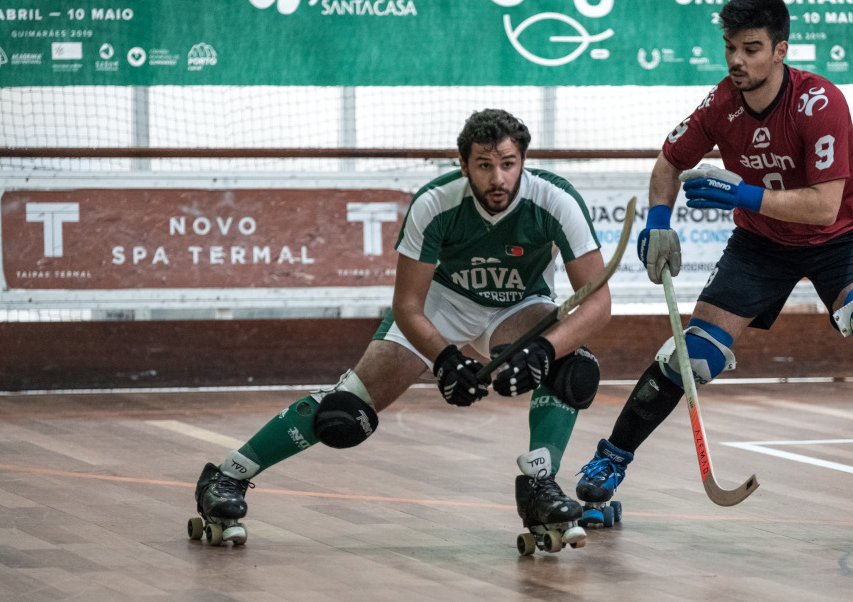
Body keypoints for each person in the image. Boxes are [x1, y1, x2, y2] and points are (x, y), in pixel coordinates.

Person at [574, 0, 853, 547]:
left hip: (840, 239)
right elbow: (669, 162)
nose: (737, 60)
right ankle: (607, 465)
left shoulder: (820, 102)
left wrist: (743, 192)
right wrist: (659, 221)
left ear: (781, 51)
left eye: (751, 49)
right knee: (691, 356)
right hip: (761, 243)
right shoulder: (720, 103)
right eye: (731, 48)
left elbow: (825, 207)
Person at [189, 108, 611, 552]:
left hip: (519, 305)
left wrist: (544, 350)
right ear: (463, 164)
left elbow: (597, 303)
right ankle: (227, 476)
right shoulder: (435, 202)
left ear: (523, 161)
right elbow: (408, 304)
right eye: (484, 166)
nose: (498, 179)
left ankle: (540, 484)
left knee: (573, 365)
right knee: (344, 413)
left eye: (508, 164)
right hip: (439, 303)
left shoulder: (555, 200)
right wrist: (446, 359)